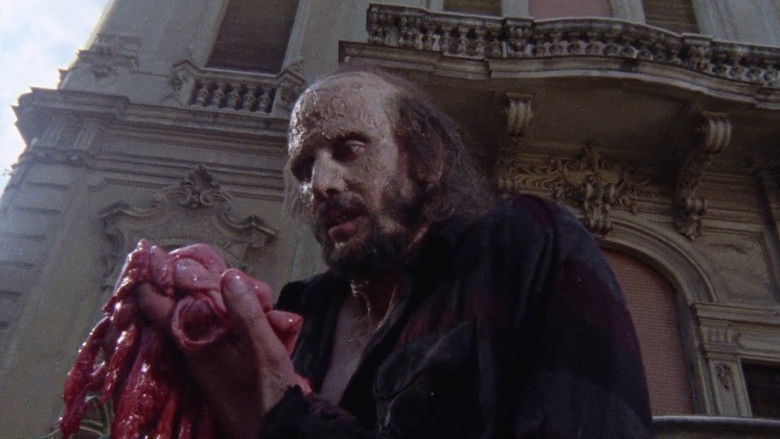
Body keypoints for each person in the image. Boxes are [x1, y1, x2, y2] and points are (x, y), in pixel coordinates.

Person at [155, 66, 653, 438]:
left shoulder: (522, 245)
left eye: (350, 149)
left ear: (426, 159)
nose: (321, 184)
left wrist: (283, 416)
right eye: (304, 169)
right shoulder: (303, 311)